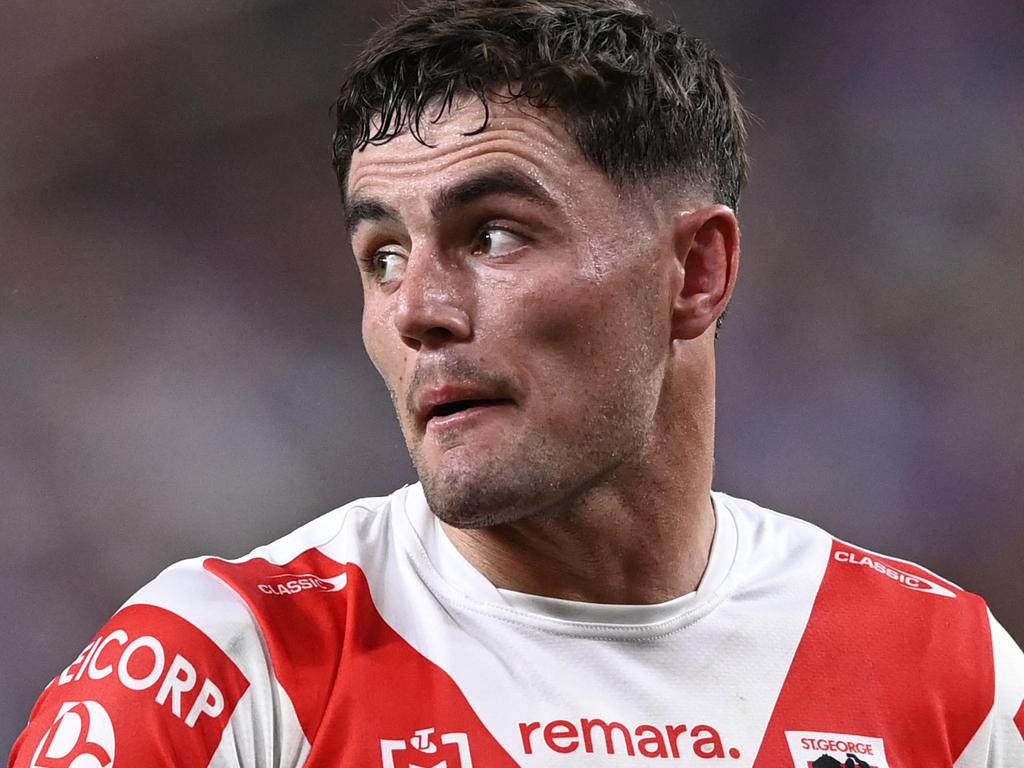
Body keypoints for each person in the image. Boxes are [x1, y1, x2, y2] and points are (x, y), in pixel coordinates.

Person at [10, 0, 1024, 766]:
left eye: (493, 235)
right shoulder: (221, 666)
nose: (416, 309)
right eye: (382, 257)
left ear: (695, 273)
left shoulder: (949, 674)